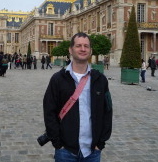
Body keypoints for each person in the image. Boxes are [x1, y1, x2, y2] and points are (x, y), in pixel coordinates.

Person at [43, 32, 112, 162]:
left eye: (86, 46)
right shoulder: (58, 79)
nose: (83, 49)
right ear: (71, 49)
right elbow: (49, 112)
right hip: (65, 151)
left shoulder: (100, 80)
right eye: (78, 45)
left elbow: (107, 111)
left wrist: (101, 143)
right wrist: (58, 143)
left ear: (90, 50)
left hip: (92, 151)